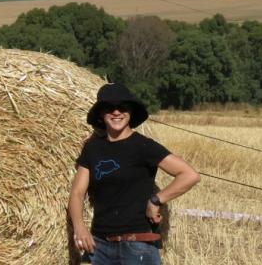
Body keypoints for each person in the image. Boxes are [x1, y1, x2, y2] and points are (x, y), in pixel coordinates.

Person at [69, 83, 201, 265]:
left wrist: (156, 200)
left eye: (122, 107)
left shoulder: (143, 146)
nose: (116, 112)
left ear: (130, 112)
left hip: (137, 246)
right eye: (109, 108)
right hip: (99, 247)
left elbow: (189, 175)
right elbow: (77, 193)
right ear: (101, 113)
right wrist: (79, 228)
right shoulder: (93, 148)